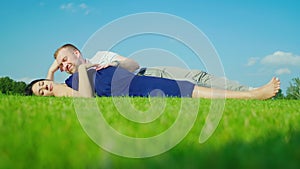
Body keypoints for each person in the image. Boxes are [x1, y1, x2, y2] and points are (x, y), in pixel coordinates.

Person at [48, 43, 253, 91]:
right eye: (61, 65)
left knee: (197, 76)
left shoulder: (101, 56)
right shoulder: (74, 81)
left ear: (76, 53)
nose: (64, 66)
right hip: (141, 87)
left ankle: (246, 91)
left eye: (64, 59)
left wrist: (113, 64)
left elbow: (134, 65)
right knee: (189, 86)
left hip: (148, 73)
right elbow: (50, 90)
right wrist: (51, 72)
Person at [26, 63, 281, 100]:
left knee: (191, 86)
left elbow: (51, 83)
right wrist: (82, 67)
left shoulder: (65, 80)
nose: (44, 87)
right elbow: (85, 97)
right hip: (132, 87)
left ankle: (252, 92)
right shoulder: (67, 90)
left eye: (41, 83)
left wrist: (49, 73)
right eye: (41, 91)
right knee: (190, 90)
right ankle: (252, 95)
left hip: (134, 78)